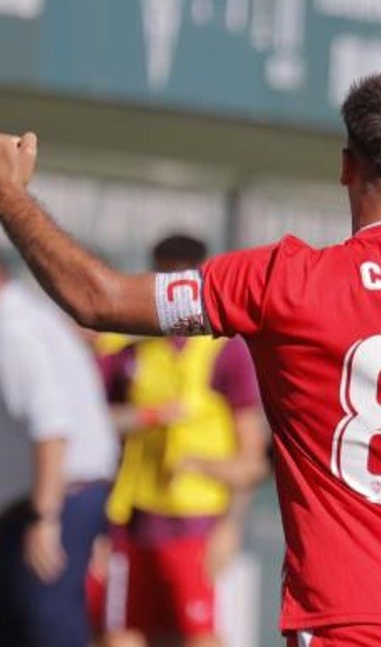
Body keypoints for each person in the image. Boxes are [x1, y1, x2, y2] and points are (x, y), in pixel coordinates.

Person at [0, 73, 381, 645]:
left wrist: (11, 196)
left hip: (343, 622)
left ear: (345, 168)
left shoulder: (282, 281)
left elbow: (98, 297)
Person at [98, 234, 266, 647]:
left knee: (198, 636)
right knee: (121, 636)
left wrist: (230, 525)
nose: (173, 284)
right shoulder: (129, 348)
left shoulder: (225, 352)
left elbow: (252, 461)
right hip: (134, 517)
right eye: (165, 271)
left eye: (183, 272)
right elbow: (91, 424)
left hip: (196, 523)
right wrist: (146, 417)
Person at [0, 256, 119, 646]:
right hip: (54, 498)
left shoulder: (13, 330)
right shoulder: (25, 319)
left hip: (58, 501)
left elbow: (52, 429)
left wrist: (44, 519)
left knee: (45, 627)